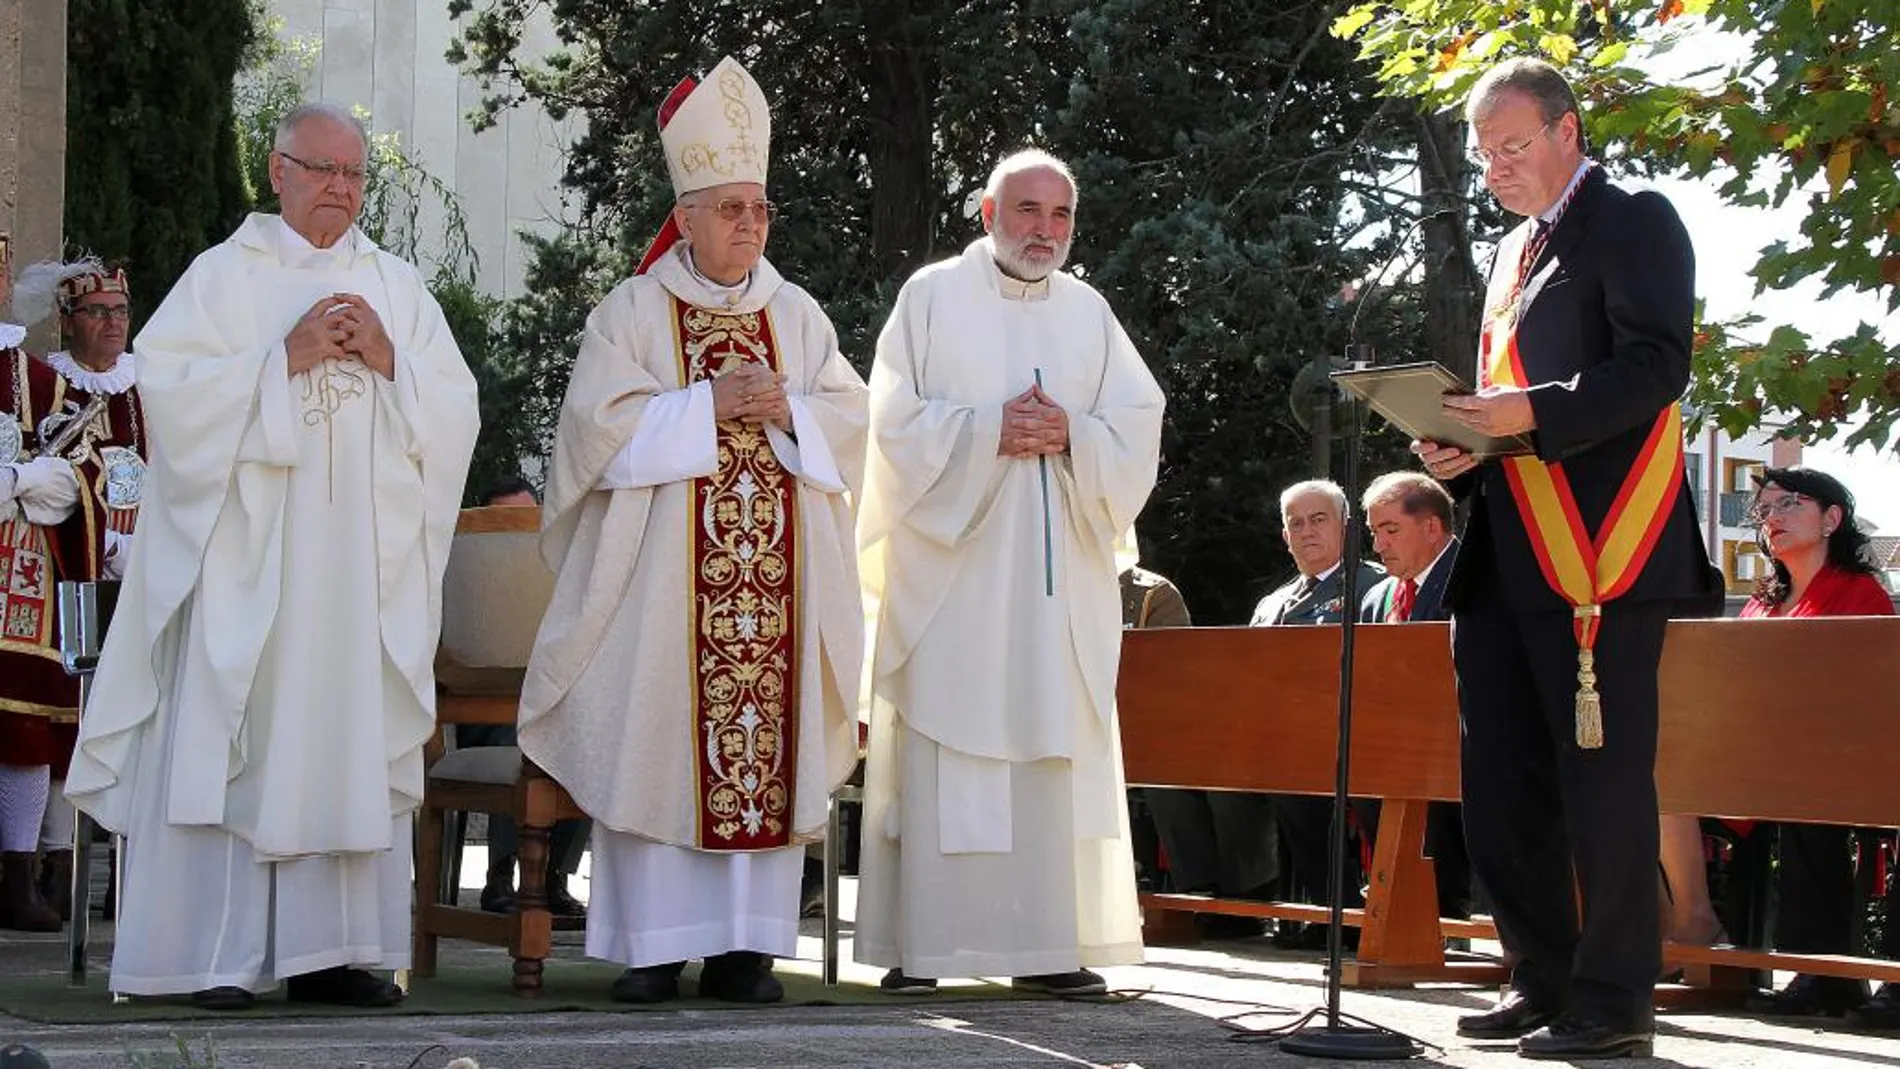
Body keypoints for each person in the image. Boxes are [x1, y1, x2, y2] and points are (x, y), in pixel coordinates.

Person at [64, 102, 480, 1009]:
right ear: (277, 169)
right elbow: (167, 397)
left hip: (357, 568)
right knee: (241, 734)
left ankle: (332, 952)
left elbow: (456, 412)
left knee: (340, 729)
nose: (340, 188)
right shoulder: (223, 277)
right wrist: (280, 359)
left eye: (355, 174)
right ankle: (217, 956)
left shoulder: (397, 287)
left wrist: (390, 362)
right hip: (251, 560)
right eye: (322, 168)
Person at [517, 56, 868, 1006]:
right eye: (729, 208)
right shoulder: (632, 312)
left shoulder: (795, 316)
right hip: (661, 590)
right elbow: (591, 436)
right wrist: (702, 406)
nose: (749, 224)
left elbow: (855, 421)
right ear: (687, 214)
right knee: (662, 738)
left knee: (767, 736)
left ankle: (749, 949)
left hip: (776, 591)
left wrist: (792, 409)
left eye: (759, 208)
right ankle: (653, 946)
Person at [1416, 58, 1719, 1059]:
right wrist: (1462, 444)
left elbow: (1654, 363)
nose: (1496, 167)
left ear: (1566, 131)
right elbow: (1507, 395)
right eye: (1483, 153)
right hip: (1506, 544)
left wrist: (1531, 413)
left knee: (1601, 785)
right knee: (1499, 783)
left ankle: (1612, 998)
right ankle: (1539, 978)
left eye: (1512, 146)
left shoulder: (1630, 220)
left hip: (1604, 553)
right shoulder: (1511, 252)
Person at [855, 149, 1164, 996]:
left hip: (1056, 573)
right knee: (953, 743)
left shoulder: (1090, 312)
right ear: (988, 212)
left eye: (1060, 215)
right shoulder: (930, 297)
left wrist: (1075, 435)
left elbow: (1138, 421)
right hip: (956, 575)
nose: (1045, 230)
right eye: (1028, 210)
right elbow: (887, 421)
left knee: (1048, 742)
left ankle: (1047, 947)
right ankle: (930, 946)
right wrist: (987, 430)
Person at [0, 255, 146, 930]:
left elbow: (76, 476)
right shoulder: (54, 379)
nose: (113, 324)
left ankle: (68, 869)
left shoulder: (41, 383)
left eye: (120, 311)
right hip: (50, 567)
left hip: (70, 567)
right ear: (68, 318)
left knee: (62, 717)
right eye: (99, 311)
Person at [1735, 468, 1897, 1028]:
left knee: (1809, 798)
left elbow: (1866, 692)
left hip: (1846, 757)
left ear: (1832, 519)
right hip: (1766, 755)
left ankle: (1825, 972)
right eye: (1766, 508)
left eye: (1789, 504)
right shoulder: (1760, 602)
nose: (1772, 517)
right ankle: (1706, 945)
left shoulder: (1861, 594)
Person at [1244, 478, 1382, 946]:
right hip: (1286, 740)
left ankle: (1361, 914)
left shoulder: (1373, 586)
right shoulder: (1272, 603)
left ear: (1346, 527)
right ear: (1284, 536)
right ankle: (1324, 913)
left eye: (1318, 519)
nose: (1306, 531)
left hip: (1361, 735)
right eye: (1295, 523)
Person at [453, 476, 588, 919]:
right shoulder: (466, 572)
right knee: (515, 733)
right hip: (490, 704)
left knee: (587, 740)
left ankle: (555, 878)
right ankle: (501, 873)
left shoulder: (562, 564)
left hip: (549, 697)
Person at [1120, 557, 1273, 934]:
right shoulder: (1053, 582)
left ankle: (1233, 897)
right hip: (1093, 728)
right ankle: (1197, 892)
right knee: (1166, 776)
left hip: (1150, 729)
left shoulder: (1151, 594)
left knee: (1193, 775)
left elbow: (1171, 678)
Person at [1353, 471, 1471, 921]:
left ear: (1433, 527)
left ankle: (1443, 907)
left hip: (1454, 734)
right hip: (1392, 739)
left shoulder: (1468, 579)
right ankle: (1397, 896)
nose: (1380, 544)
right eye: (1375, 532)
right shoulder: (1377, 596)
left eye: (1391, 530)